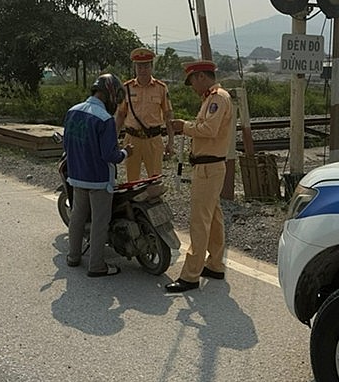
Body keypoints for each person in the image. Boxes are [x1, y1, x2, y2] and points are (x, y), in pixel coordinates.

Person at [166, 60, 234, 293]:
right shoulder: (212, 98)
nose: (192, 87)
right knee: (213, 217)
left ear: (200, 77)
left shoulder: (217, 99)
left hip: (208, 168)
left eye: (192, 81)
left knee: (199, 221)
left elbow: (209, 130)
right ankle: (214, 264)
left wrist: (184, 126)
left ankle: (190, 275)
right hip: (209, 167)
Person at [63, 74, 134, 277]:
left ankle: (73, 257)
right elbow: (110, 155)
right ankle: (96, 266)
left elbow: (66, 145)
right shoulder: (105, 120)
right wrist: (126, 152)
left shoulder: (72, 111)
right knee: (100, 222)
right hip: (99, 179)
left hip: (77, 176)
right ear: (110, 93)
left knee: (77, 216)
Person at [116, 47, 174, 181]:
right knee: (132, 179)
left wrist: (170, 142)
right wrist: (114, 138)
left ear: (151, 67)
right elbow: (120, 115)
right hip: (131, 139)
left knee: (154, 179)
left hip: (153, 139)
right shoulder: (127, 88)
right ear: (135, 68)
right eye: (139, 67)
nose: (142, 70)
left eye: (146, 66)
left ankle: (153, 200)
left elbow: (168, 116)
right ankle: (134, 202)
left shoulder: (161, 88)